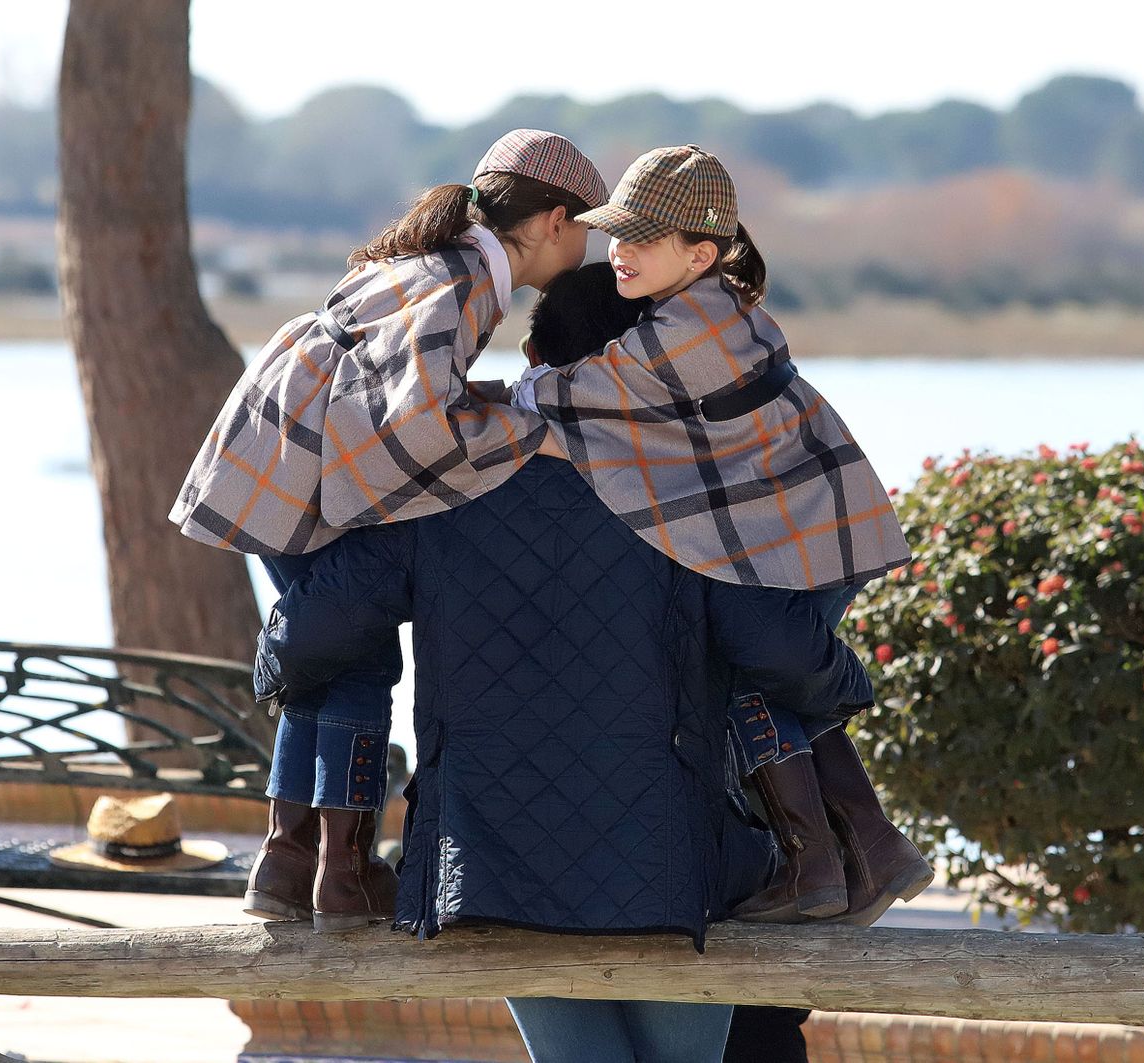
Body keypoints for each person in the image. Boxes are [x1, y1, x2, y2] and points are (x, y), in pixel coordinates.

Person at [253, 452, 876, 1063]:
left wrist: (269, 660)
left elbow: (313, 633)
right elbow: (780, 646)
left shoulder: (442, 493)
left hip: (487, 859)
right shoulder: (678, 493)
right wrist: (852, 689)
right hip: (668, 861)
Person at [172, 129, 606, 932]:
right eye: (586, 230)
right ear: (553, 220)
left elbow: (401, 386)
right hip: (302, 467)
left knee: (334, 659)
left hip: (280, 452)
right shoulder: (469, 282)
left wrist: (484, 401)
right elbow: (415, 428)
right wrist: (527, 428)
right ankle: (341, 874)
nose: (588, 249)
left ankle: (287, 861)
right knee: (361, 661)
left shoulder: (448, 264)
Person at [519, 145, 932, 931]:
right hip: (805, 527)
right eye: (617, 235)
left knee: (750, 666)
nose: (620, 253)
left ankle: (826, 856)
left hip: (801, 534)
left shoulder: (683, 331)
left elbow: (563, 392)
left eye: (642, 239)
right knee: (755, 674)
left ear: (700, 253)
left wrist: (513, 388)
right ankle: (857, 851)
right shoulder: (710, 304)